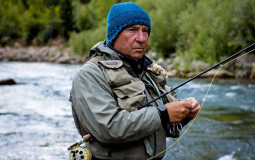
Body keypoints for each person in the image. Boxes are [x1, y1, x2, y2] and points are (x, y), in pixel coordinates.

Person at [69, 2, 200, 160]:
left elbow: (164, 125)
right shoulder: (90, 75)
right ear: (114, 34)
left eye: (145, 31)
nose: (142, 38)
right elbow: (109, 129)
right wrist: (164, 114)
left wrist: (184, 113)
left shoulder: (148, 72)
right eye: (132, 30)